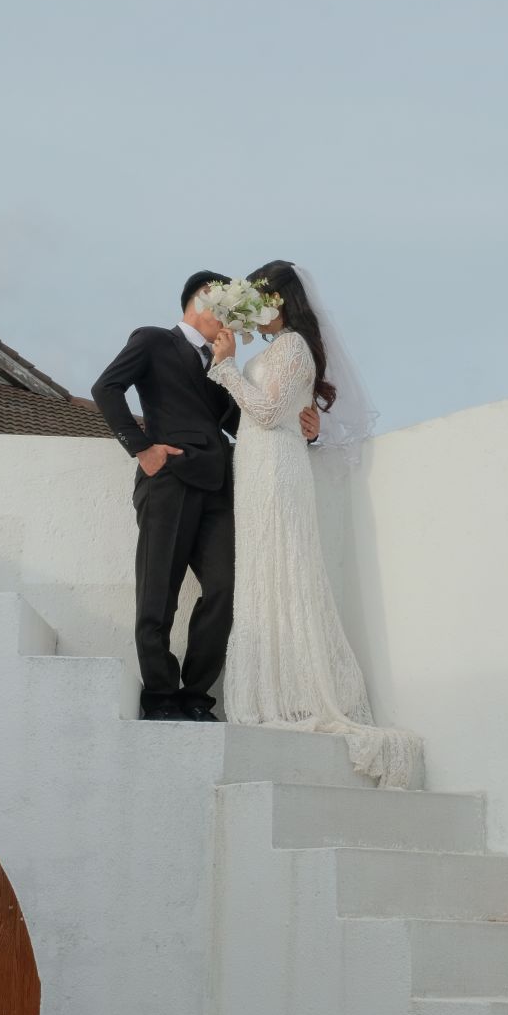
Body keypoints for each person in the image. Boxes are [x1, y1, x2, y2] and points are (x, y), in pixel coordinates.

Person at [206, 260, 419, 786]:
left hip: (277, 466)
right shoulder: (273, 350)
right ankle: (274, 688)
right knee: (263, 571)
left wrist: (226, 367)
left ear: (282, 300)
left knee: (287, 568)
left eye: (261, 300)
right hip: (256, 466)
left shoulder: (295, 347)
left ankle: (302, 693)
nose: (256, 311)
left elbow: (266, 413)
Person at [91, 271, 321, 721]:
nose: (235, 319)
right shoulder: (154, 340)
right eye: (227, 307)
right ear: (201, 299)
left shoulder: (221, 361)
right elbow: (106, 388)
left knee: (225, 589)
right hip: (169, 479)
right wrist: (141, 448)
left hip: (219, 488)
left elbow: (245, 421)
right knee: (158, 590)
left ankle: (196, 695)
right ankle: (160, 696)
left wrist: (305, 429)